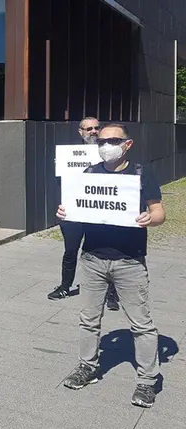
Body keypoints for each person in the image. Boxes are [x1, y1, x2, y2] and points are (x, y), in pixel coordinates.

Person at [57, 123, 165, 408]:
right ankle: (87, 367)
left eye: (113, 140)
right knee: (89, 320)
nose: (106, 145)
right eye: (101, 141)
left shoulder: (141, 173)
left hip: (129, 261)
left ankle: (147, 381)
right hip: (92, 258)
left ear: (127, 144)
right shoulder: (89, 174)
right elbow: (78, 208)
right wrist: (66, 212)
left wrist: (149, 219)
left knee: (141, 324)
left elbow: (159, 212)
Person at [48, 117, 119, 311]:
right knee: (70, 250)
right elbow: (61, 184)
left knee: (106, 251)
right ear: (81, 132)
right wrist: (59, 166)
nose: (94, 131)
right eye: (89, 129)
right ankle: (65, 287)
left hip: (100, 210)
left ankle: (111, 293)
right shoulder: (69, 154)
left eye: (97, 128)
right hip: (74, 210)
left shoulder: (111, 151)